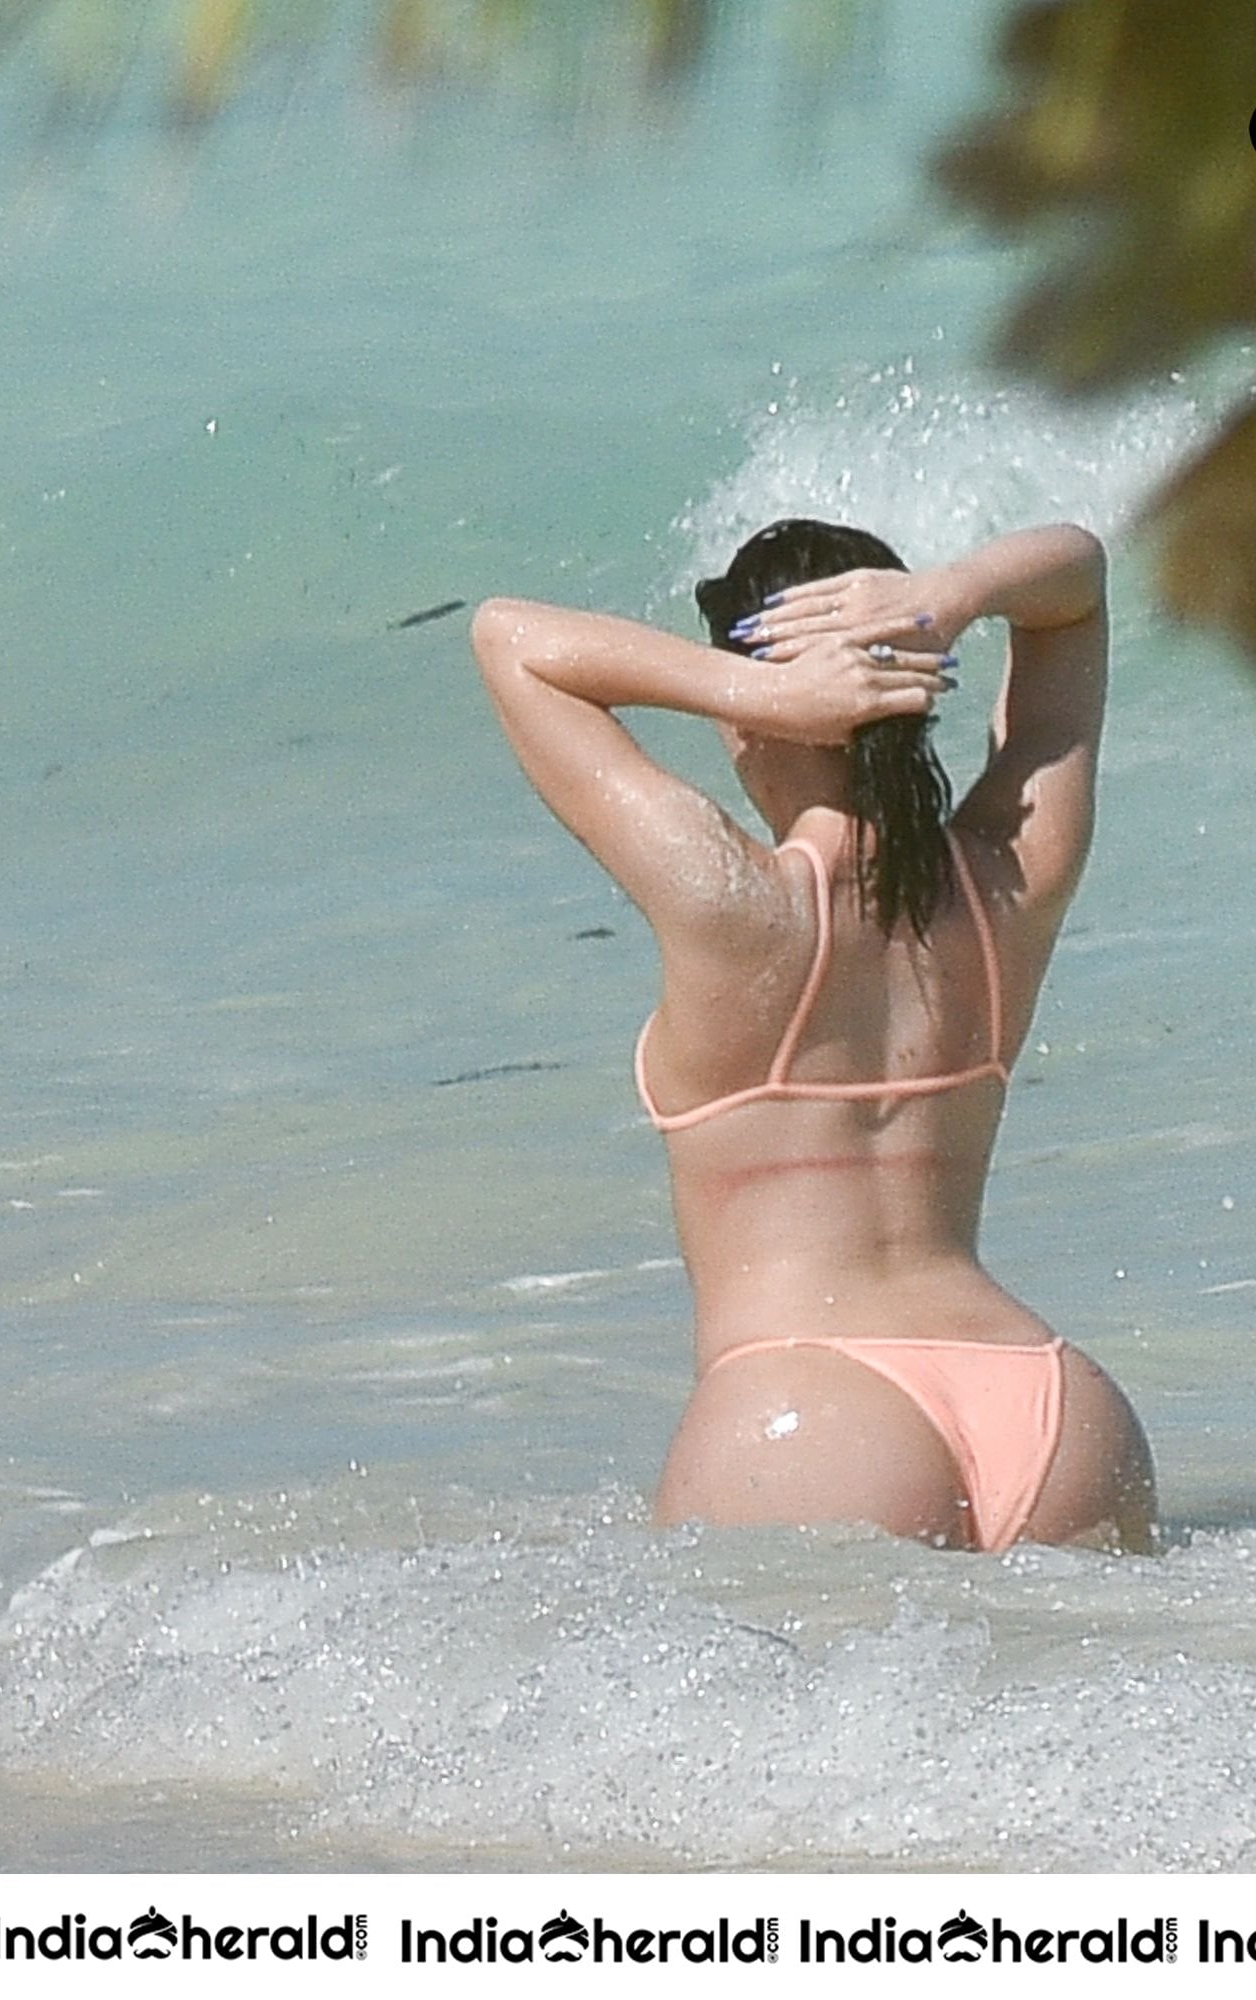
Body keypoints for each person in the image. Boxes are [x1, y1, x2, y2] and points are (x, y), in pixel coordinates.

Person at [471, 521, 1155, 1552]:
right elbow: (1076, 583)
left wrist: (754, 690)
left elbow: (507, 637)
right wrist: (952, 593)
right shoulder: (1006, 876)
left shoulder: (732, 899)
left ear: (752, 716)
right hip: (1053, 1409)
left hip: (811, 1405)